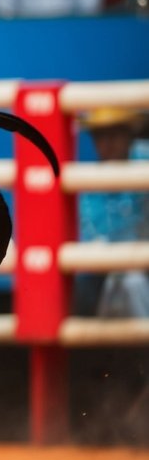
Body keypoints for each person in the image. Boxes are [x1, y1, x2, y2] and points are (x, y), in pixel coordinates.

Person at [73, 109, 148, 317]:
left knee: (132, 282)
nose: (108, 143)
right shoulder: (87, 185)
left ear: (129, 135)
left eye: (115, 134)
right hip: (108, 275)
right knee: (118, 283)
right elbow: (89, 239)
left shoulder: (144, 161)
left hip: (142, 267)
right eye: (100, 136)